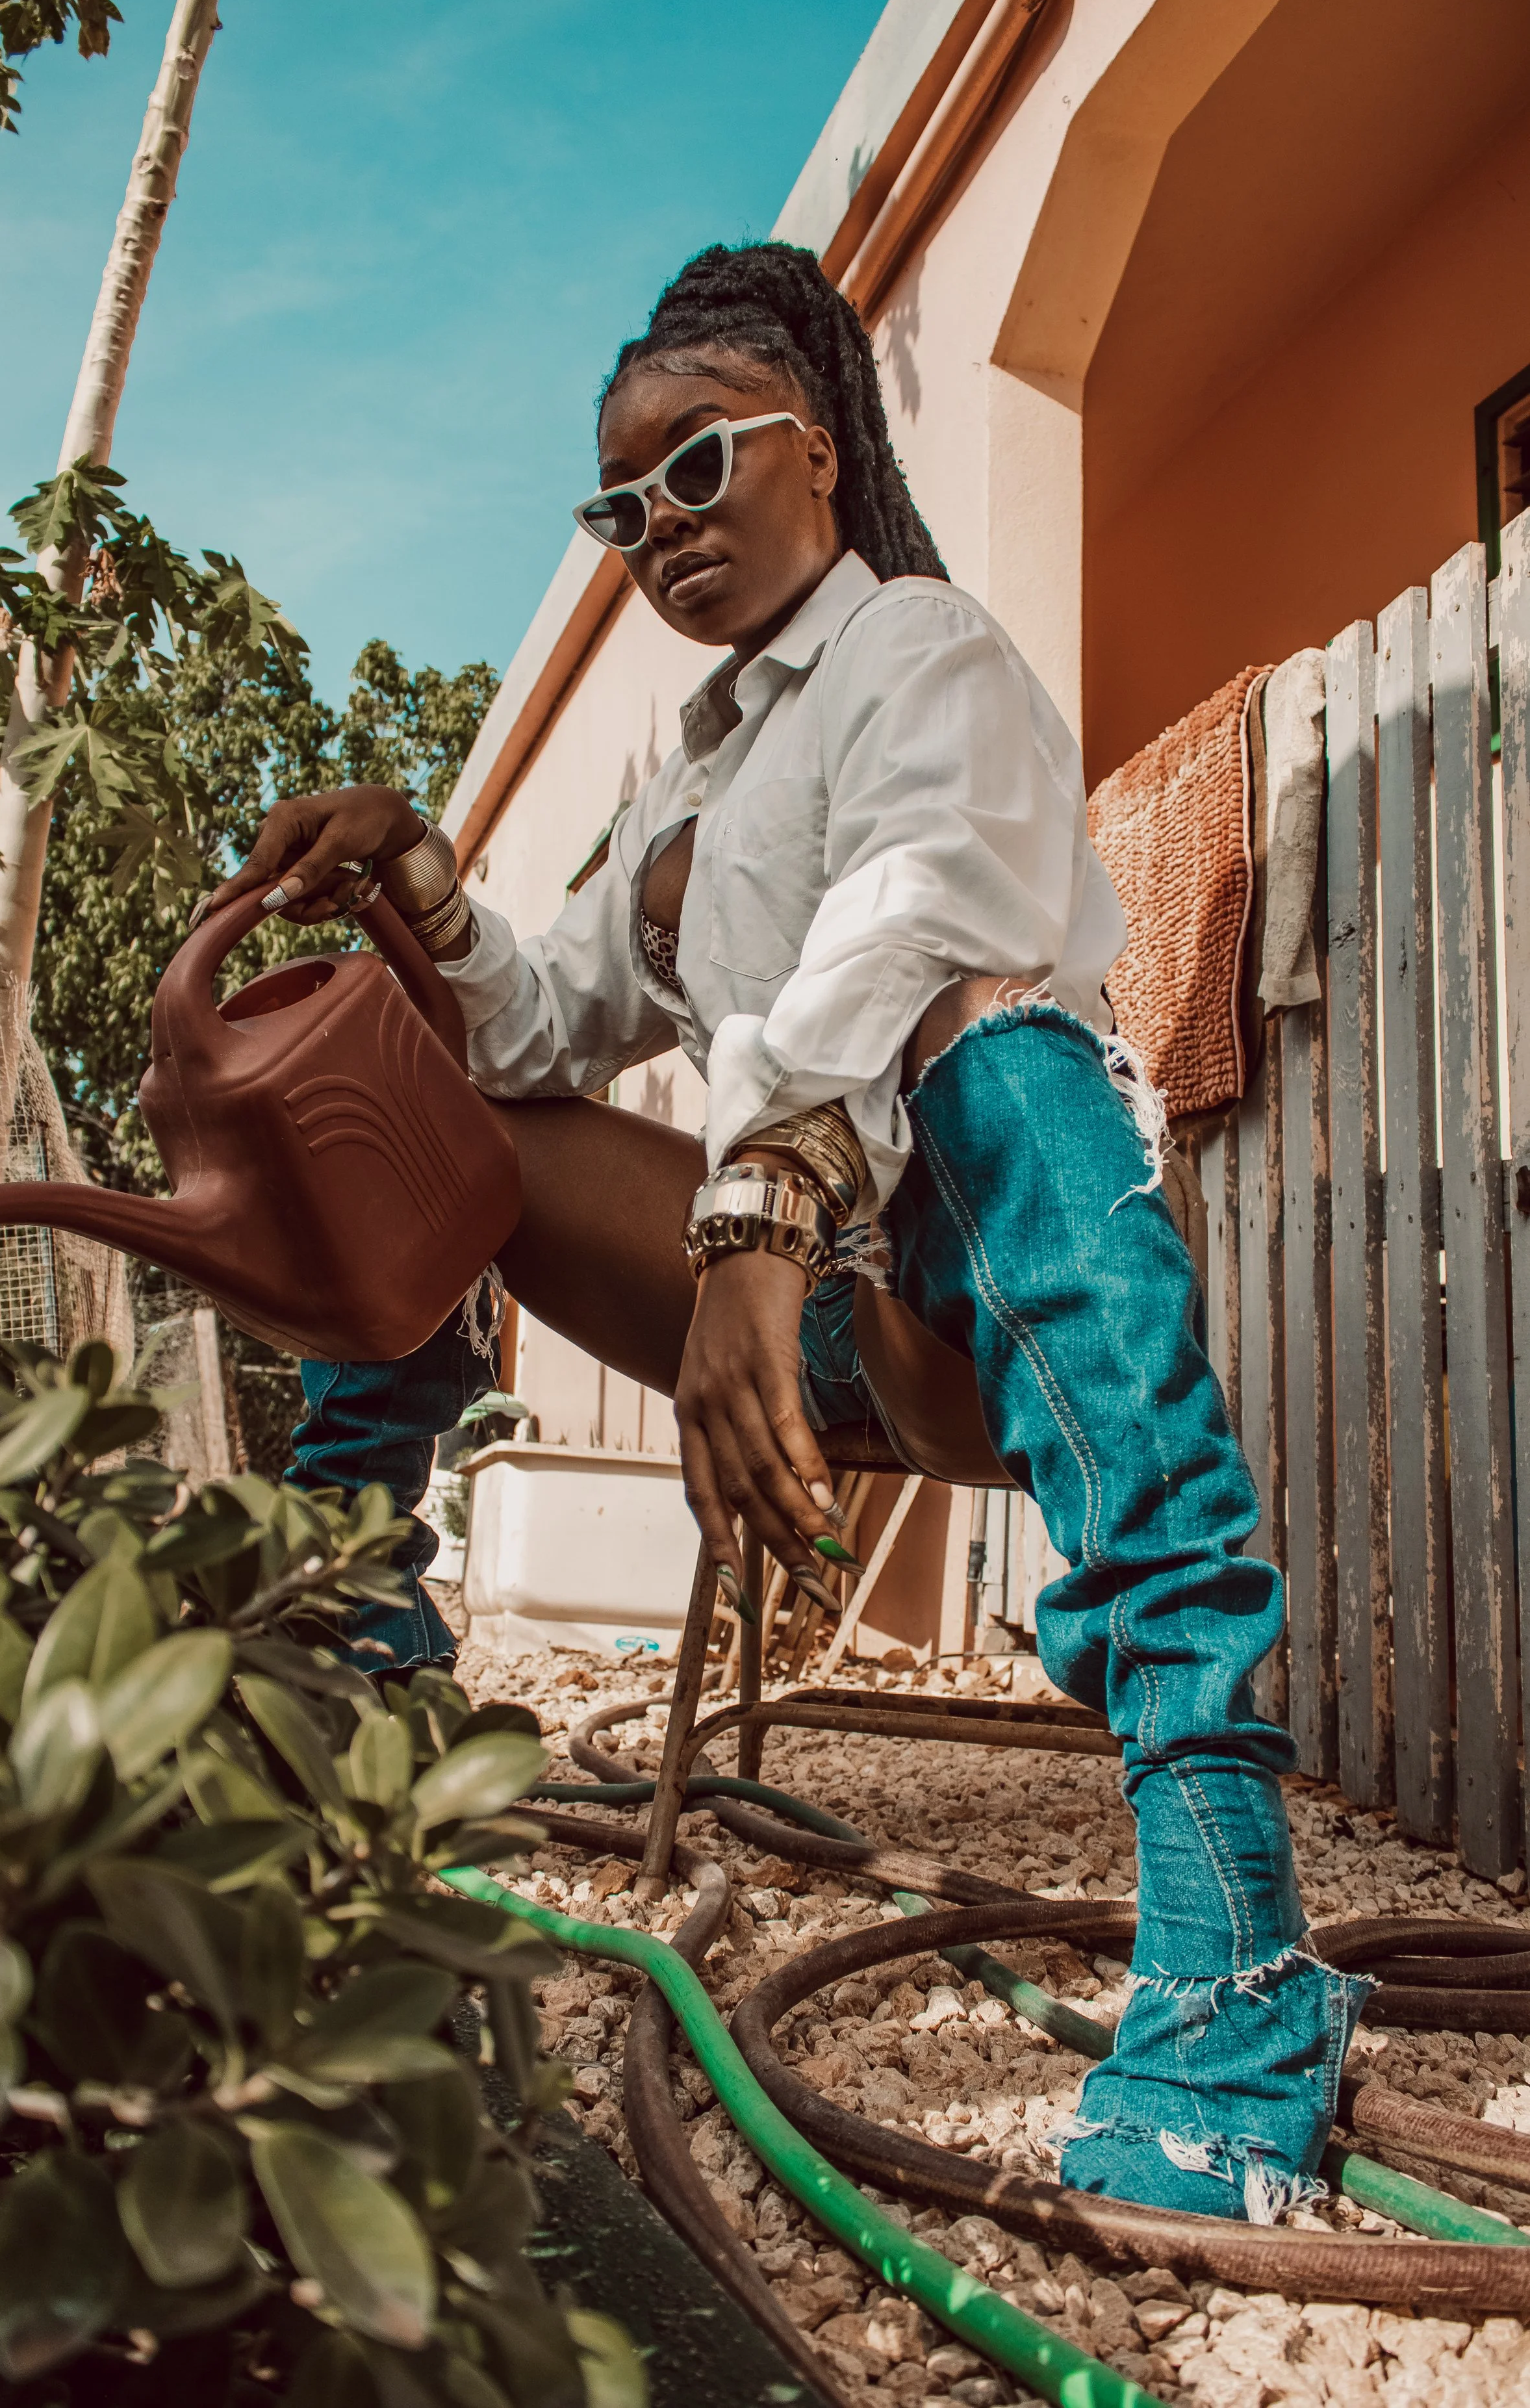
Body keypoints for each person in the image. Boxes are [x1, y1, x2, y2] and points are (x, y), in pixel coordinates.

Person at [203, 241, 1368, 2223]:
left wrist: (761, 1207)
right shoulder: (693, 771)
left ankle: (1237, 1936)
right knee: (439, 1094)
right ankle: (352, 1624)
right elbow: (536, 1027)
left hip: (990, 1300)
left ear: (813, 446)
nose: (658, 525)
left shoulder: (922, 651)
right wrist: (420, 875)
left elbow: (919, 909)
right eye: (618, 504)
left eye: (696, 465)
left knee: (988, 1041)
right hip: (791, 1310)